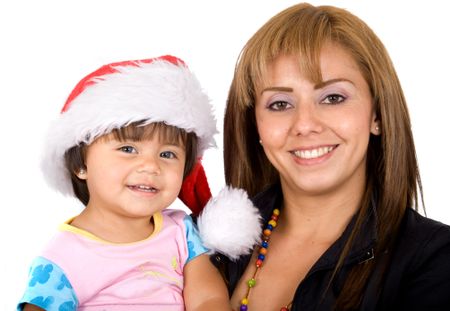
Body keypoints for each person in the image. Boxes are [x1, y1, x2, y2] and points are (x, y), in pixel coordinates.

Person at [219, 3, 450, 311]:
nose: (304, 124)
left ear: (377, 115)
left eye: (333, 97)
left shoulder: (434, 260)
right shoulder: (197, 244)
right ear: (255, 124)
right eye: (279, 104)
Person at [17, 55, 261, 311]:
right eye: (128, 148)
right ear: (81, 165)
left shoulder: (180, 230)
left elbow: (208, 298)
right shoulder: (63, 257)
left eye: (167, 154)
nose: (151, 166)